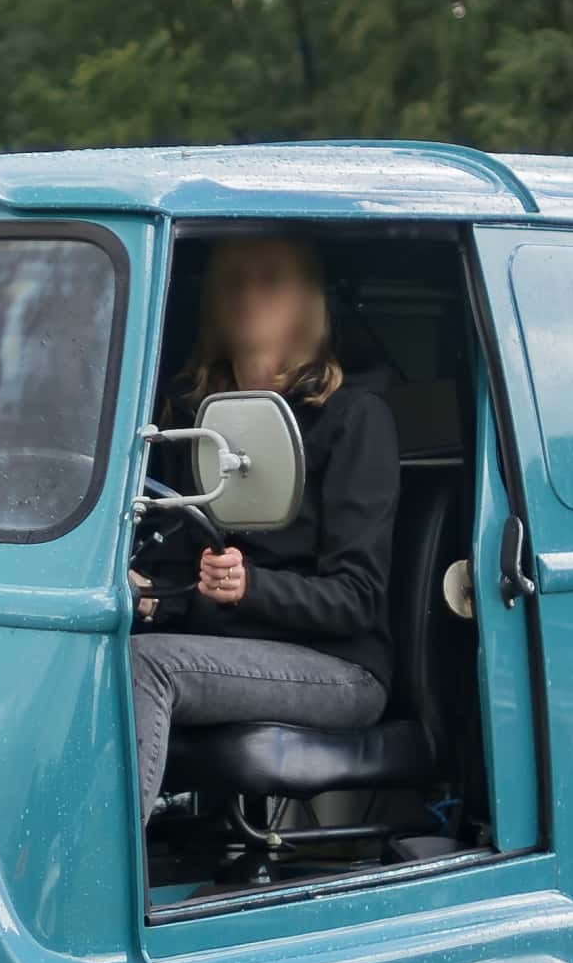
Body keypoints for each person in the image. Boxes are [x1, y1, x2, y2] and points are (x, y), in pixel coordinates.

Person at [130, 237, 398, 812]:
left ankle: (99, 884)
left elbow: (359, 599)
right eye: (233, 281)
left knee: (145, 667)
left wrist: (253, 586)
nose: (248, 295)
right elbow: (182, 568)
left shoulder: (354, 419)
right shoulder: (188, 422)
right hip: (219, 647)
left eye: (271, 279)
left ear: (309, 303)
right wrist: (152, 596)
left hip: (339, 667)